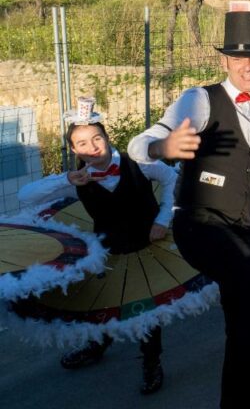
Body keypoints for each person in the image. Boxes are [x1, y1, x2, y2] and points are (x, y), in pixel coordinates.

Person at [129, 9, 250, 409]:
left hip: (245, 225)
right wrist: (162, 148)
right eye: (239, 59)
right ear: (225, 62)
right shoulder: (200, 99)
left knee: (247, 322)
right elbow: (139, 142)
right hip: (200, 223)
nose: (248, 66)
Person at [18, 97, 177, 395]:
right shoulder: (77, 177)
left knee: (148, 310)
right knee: (103, 299)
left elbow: (171, 179)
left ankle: (152, 361)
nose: (92, 147)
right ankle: (98, 344)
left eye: (97, 138)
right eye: (82, 143)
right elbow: (26, 196)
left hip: (149, 245)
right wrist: (66, 178)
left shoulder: (139, 163)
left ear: (107, 138)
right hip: (108, 249)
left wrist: (163, 219)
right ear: (74, 150)